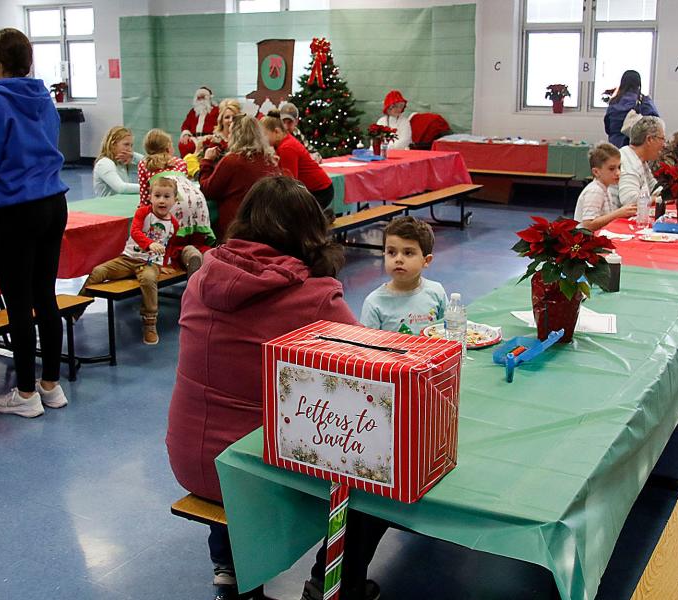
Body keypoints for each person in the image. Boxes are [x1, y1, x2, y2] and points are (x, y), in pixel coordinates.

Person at [166, 176, 386, 600]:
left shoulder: (202, 277)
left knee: (228, 428)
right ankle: (331, 583)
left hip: (188, 456)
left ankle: (229, 571)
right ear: (309, 230)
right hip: (254, 470)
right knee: (382, 479)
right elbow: (374, 368)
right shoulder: (315, 297)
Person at [0, 28, 69, 418]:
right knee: (45, 294)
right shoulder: (44, 98)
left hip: (17, 211)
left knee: (19, 302)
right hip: (53, 204)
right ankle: (51, 386)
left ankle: (25, 394)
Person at [79, 175, 186, 345]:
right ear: (150, 197)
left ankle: (150, 323)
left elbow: (169, 245)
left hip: (150, 264)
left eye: (167, 196)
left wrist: (164, 264)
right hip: (128, 259)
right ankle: (78, 307)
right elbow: (136, 232)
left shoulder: (173, 224)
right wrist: (150, 244)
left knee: (149, 279)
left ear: (174, 200)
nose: (162, 200)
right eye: (157, 196)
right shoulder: (143, 212)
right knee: (99, 271)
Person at [360, 216, 448, 334]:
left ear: (426, 260)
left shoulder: (436, 292)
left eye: (408, 253)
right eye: (392, 252)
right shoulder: (374, 303)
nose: (398, 259)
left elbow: (448, 331)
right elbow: (366, 347)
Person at [199, 114, 281, 240]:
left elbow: (208, 190)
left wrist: (206, 161)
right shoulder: (270, 161)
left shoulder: (233, 161)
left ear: (236, 135)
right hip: (265, 227)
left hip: (235, 229)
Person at [260, 110, 335, 211]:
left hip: (319, 191)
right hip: (316, 189)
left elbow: (290, 183)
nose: (262, 139)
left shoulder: (287, 148)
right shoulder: (284, 142)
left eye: (264, 135)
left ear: (277, 132)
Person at [574, 143, 636, 231]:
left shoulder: (606, 188)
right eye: (611, 169)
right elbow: (588, 225)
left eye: (619, 167)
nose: (618, 173)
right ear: (596, 172)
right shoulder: (595, 191)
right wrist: (618, 213)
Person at [618, 116, 666, 207]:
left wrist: (667, 195)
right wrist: (656, 199)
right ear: (649, 139)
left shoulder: (641, 160)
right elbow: (630, 200)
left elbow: (654, 188)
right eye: (662, 139)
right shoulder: (628, 161)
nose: (664, 145)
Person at [604, 70, 660, 148]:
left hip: (615, 148)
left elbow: (607, 129)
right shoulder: (644, 101)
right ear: (639, 84)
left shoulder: (614, 102)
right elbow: (656, 124)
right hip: (636, 148)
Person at [138, 128, 187, 205]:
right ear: (168, 148)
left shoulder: (144, 164)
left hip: (165, 206)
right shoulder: (181, 162)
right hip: (190, 202)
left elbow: (144, 196)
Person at [93, 125, 144, 197]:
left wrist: (133, 156)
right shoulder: (104, 163)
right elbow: (121, 188)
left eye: (131, 145)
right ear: (113, 145)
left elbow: (150, 165)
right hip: (106, 206)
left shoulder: (123, 163)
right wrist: (148, 189)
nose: (130, 149)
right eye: (126, 144)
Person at [179, 86, 220, 156]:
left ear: (209, 98)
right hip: (194, 139)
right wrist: (186, 134)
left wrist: (214, 136)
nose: (201, 100)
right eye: (199, 98)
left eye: (203, 97)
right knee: (184, 145)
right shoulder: (193, 112)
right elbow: (185, 125)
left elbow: (220, 125)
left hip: (209, 138)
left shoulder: (216, 111)